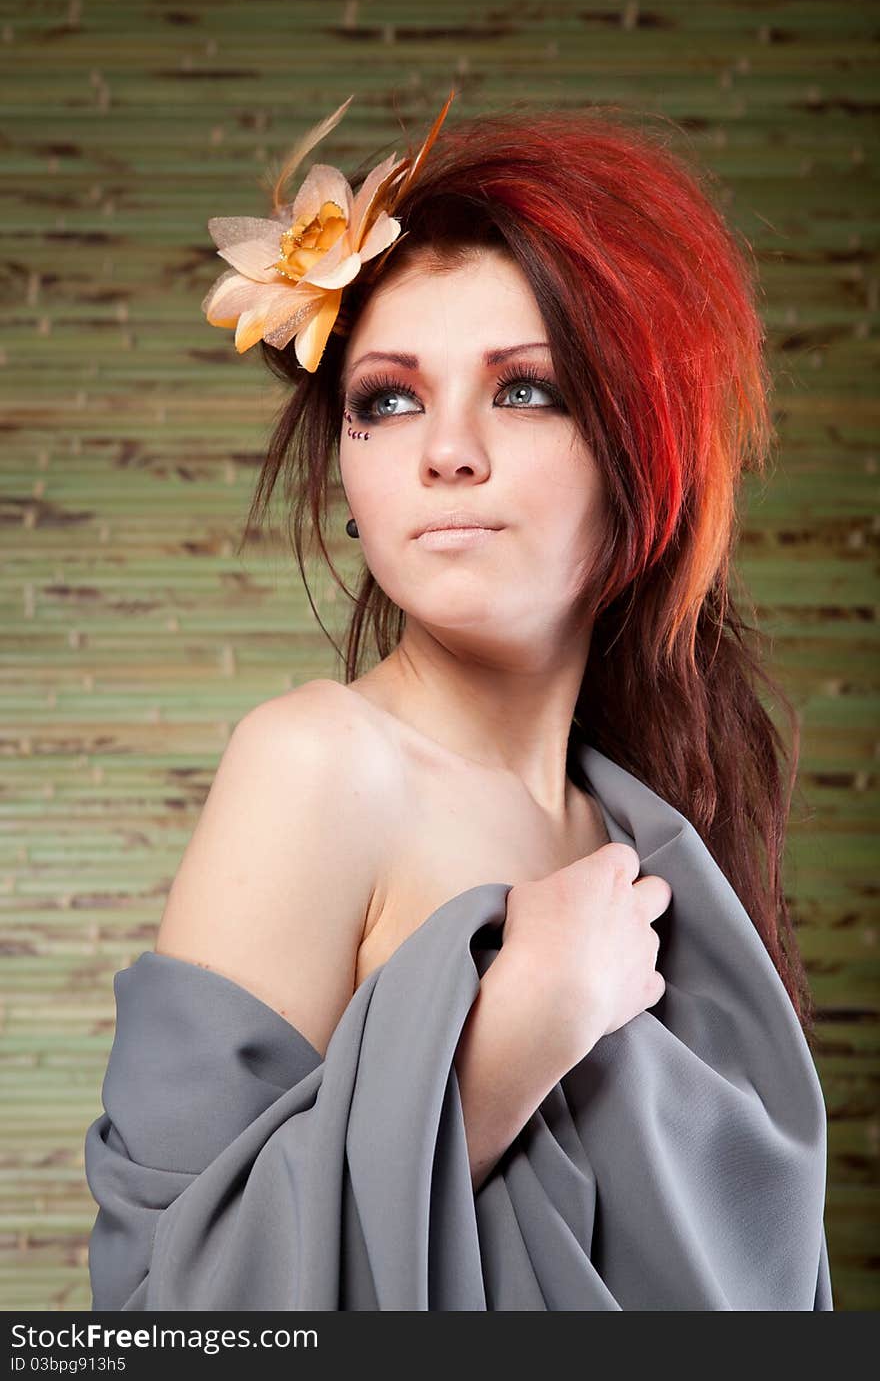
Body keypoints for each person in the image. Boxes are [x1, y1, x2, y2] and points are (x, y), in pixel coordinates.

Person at [83, 91, 832, 1310]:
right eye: (388, 398)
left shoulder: (649, 827)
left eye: (523, 389)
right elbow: (166, 1319)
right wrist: (501, 1047)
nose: (446, 450)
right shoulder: (318, 766)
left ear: (642, 453)